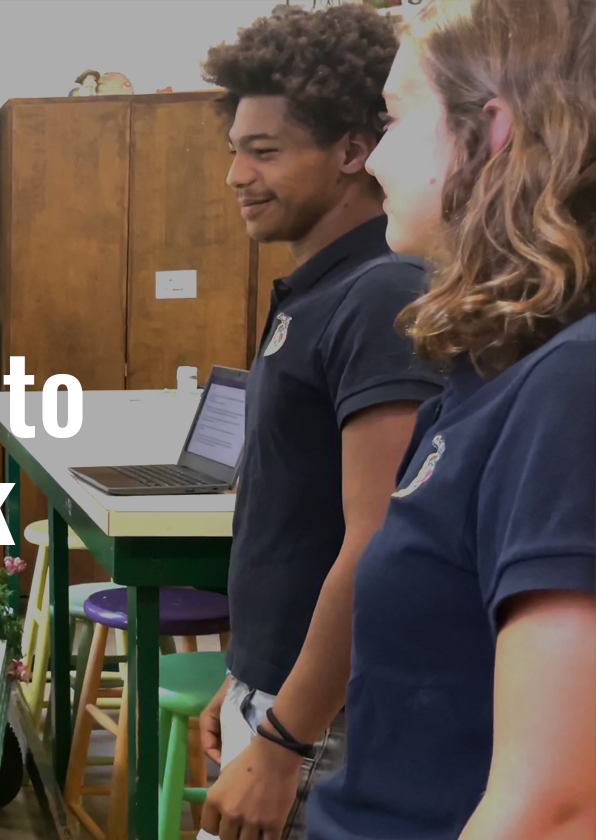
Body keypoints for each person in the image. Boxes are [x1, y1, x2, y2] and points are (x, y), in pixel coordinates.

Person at [303, 0, 596, 837]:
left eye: (393, 121)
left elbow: (554, 808)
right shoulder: (487, 380)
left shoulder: (571, 388)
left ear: (491, 130)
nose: (374, 161)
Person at [194, 6, 447, 838]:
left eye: (264, 152)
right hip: (281, 697)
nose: (236, 174)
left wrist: (281, 738)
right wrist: (247, 675)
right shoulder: (321, 290)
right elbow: (297, 524)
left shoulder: (378, 294)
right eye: (235, 149)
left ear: (351, 152)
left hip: (321, 729)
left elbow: (375, 540)